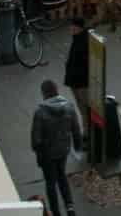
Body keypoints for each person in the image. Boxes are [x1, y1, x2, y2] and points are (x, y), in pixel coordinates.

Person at [30, 78, 84, 216]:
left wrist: (38, 154)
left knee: (50, 182)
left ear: (44, 93)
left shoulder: (40, 112)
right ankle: (70, 207)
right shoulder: (69, 107)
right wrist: (77, 146)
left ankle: (55, 211)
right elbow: (76, 129)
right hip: (63, 150)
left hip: (47, 153)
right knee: (62, 177)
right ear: (56, 91)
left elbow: (36, 139)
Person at [63, 17, 90, 105]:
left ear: (79, 28)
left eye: (73, 27)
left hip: (80, 82)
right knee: (81, 104)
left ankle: (86, 118)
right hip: (75, 80)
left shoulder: (83, 41)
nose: (71, 28)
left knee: (83, 105)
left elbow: (82, 61)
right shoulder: (77, 37)